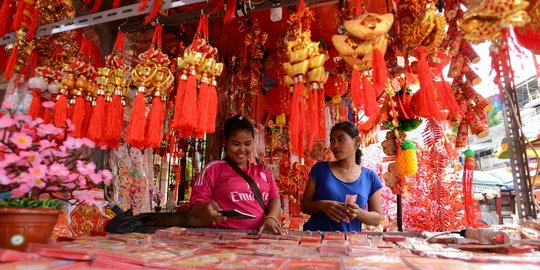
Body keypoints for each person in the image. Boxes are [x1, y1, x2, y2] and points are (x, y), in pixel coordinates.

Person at [190, 115, 285, 235]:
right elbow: (195, 207)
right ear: (226, 142)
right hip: (224, 240)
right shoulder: (213, 169)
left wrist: (271, 219)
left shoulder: (263, 170)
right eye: (235, 144)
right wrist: (206, 209)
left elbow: (274, 199)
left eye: (247, 143)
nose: (242, 149)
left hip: (260, 238)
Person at [301, 121, 382, 232]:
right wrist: (321, 205)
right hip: (317, 241)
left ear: (357, 142)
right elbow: (304, 206)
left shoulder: (370, 177)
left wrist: (358, 213)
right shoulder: (319, 170)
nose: (335, 145)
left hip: (350, 243)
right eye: (332, 141)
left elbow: (377, 219)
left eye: (341, 139)